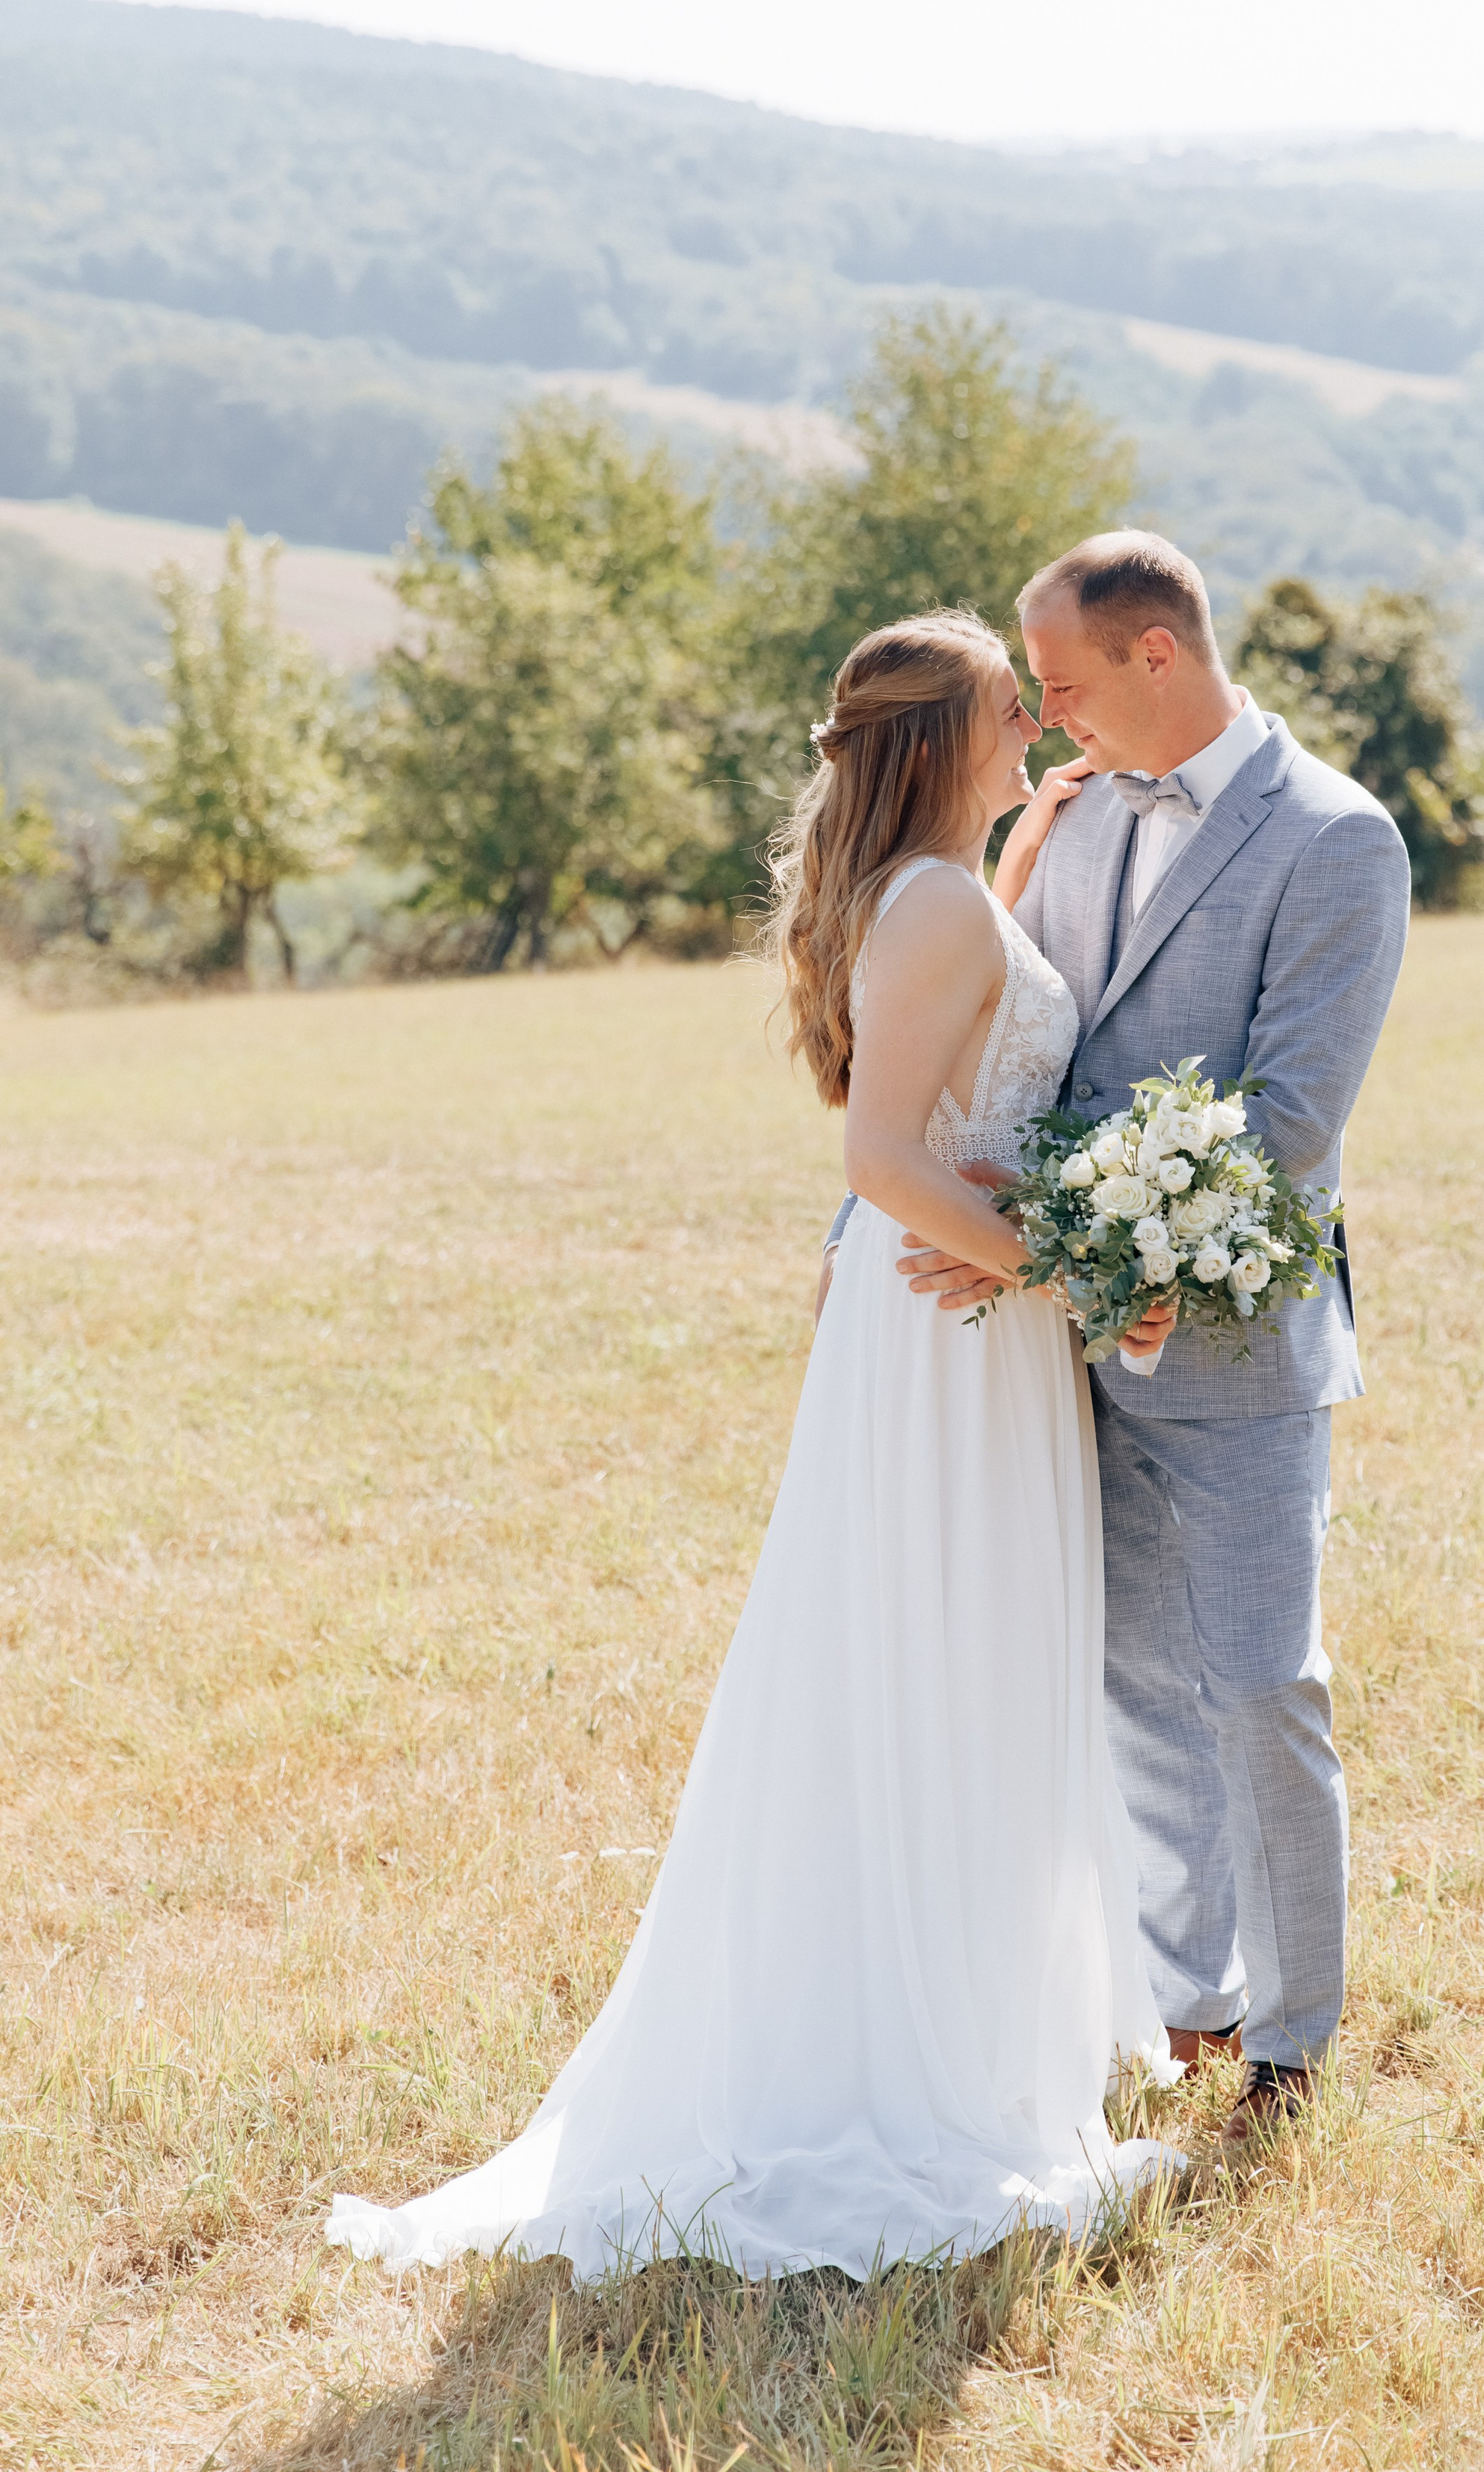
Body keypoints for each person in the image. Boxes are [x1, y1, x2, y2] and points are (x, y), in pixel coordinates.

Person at [327, 608, 1173, 2286]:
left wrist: (1024, 860)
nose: (1033, 727)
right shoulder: (932, 906)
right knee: (941, 1655)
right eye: (1008, 711)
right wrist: (1080, 1276)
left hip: (968, 1324)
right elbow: (885, 1161)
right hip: (952, 1330)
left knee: (965, 1654)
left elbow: (969, 1066)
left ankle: (973, 2002)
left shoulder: (943, 894)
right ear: (940, 742)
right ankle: (907, 2050)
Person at [864, 535, 1410, 2143]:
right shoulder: (1076, 816)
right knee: (1133, 1690)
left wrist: (1062, 1251)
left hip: (1238, 1347)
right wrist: (998, 1255)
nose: (1044, 715)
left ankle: (1292, 2047)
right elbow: (1016, 1061)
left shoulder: (1337, 839)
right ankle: (1193, 2000)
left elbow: (1288, 1127)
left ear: (1155, 653)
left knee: (1259, 1685)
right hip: (1059, 1356)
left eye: (1062, 681)